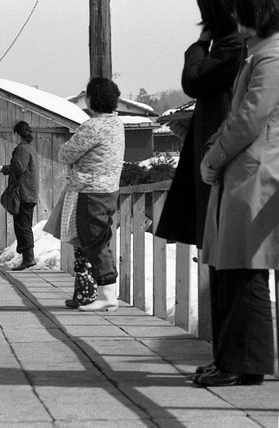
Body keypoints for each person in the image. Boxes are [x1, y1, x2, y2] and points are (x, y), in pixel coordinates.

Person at [153, 0, 245, 380]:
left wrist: (199, 44)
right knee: (224, 267)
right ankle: (229, 357)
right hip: (223, 164)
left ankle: (232, 359)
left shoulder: (231, 46)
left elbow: (194, 79)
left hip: (221, 165)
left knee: (228, 269)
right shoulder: (247, 48)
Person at [193, 0, 279, 387]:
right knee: (232, 269)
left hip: (254, 172)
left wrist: (214, 155)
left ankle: (243, 361)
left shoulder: (271, 56)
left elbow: (249, 117)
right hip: (244, 171)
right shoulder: (259, 54)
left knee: (244, 271)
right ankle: (233, 358)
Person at [59, 77, 125, 311]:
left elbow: (65, 154)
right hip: (110, 190)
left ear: (90, 100)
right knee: (100, 238)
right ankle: (102, 293)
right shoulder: (117, 124)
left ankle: (107, 294)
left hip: (90, 190)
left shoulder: (92, 127)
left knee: (92, 240)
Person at [0, 121, 38, 271]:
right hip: (29, 193)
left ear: (17, 134)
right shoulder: (30, 148)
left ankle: (28, 258)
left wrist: (5, 168)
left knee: (23, 227)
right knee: (23, 226)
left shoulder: (22, 149)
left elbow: (19, 167)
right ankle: (27, 257)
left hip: (24, 194)